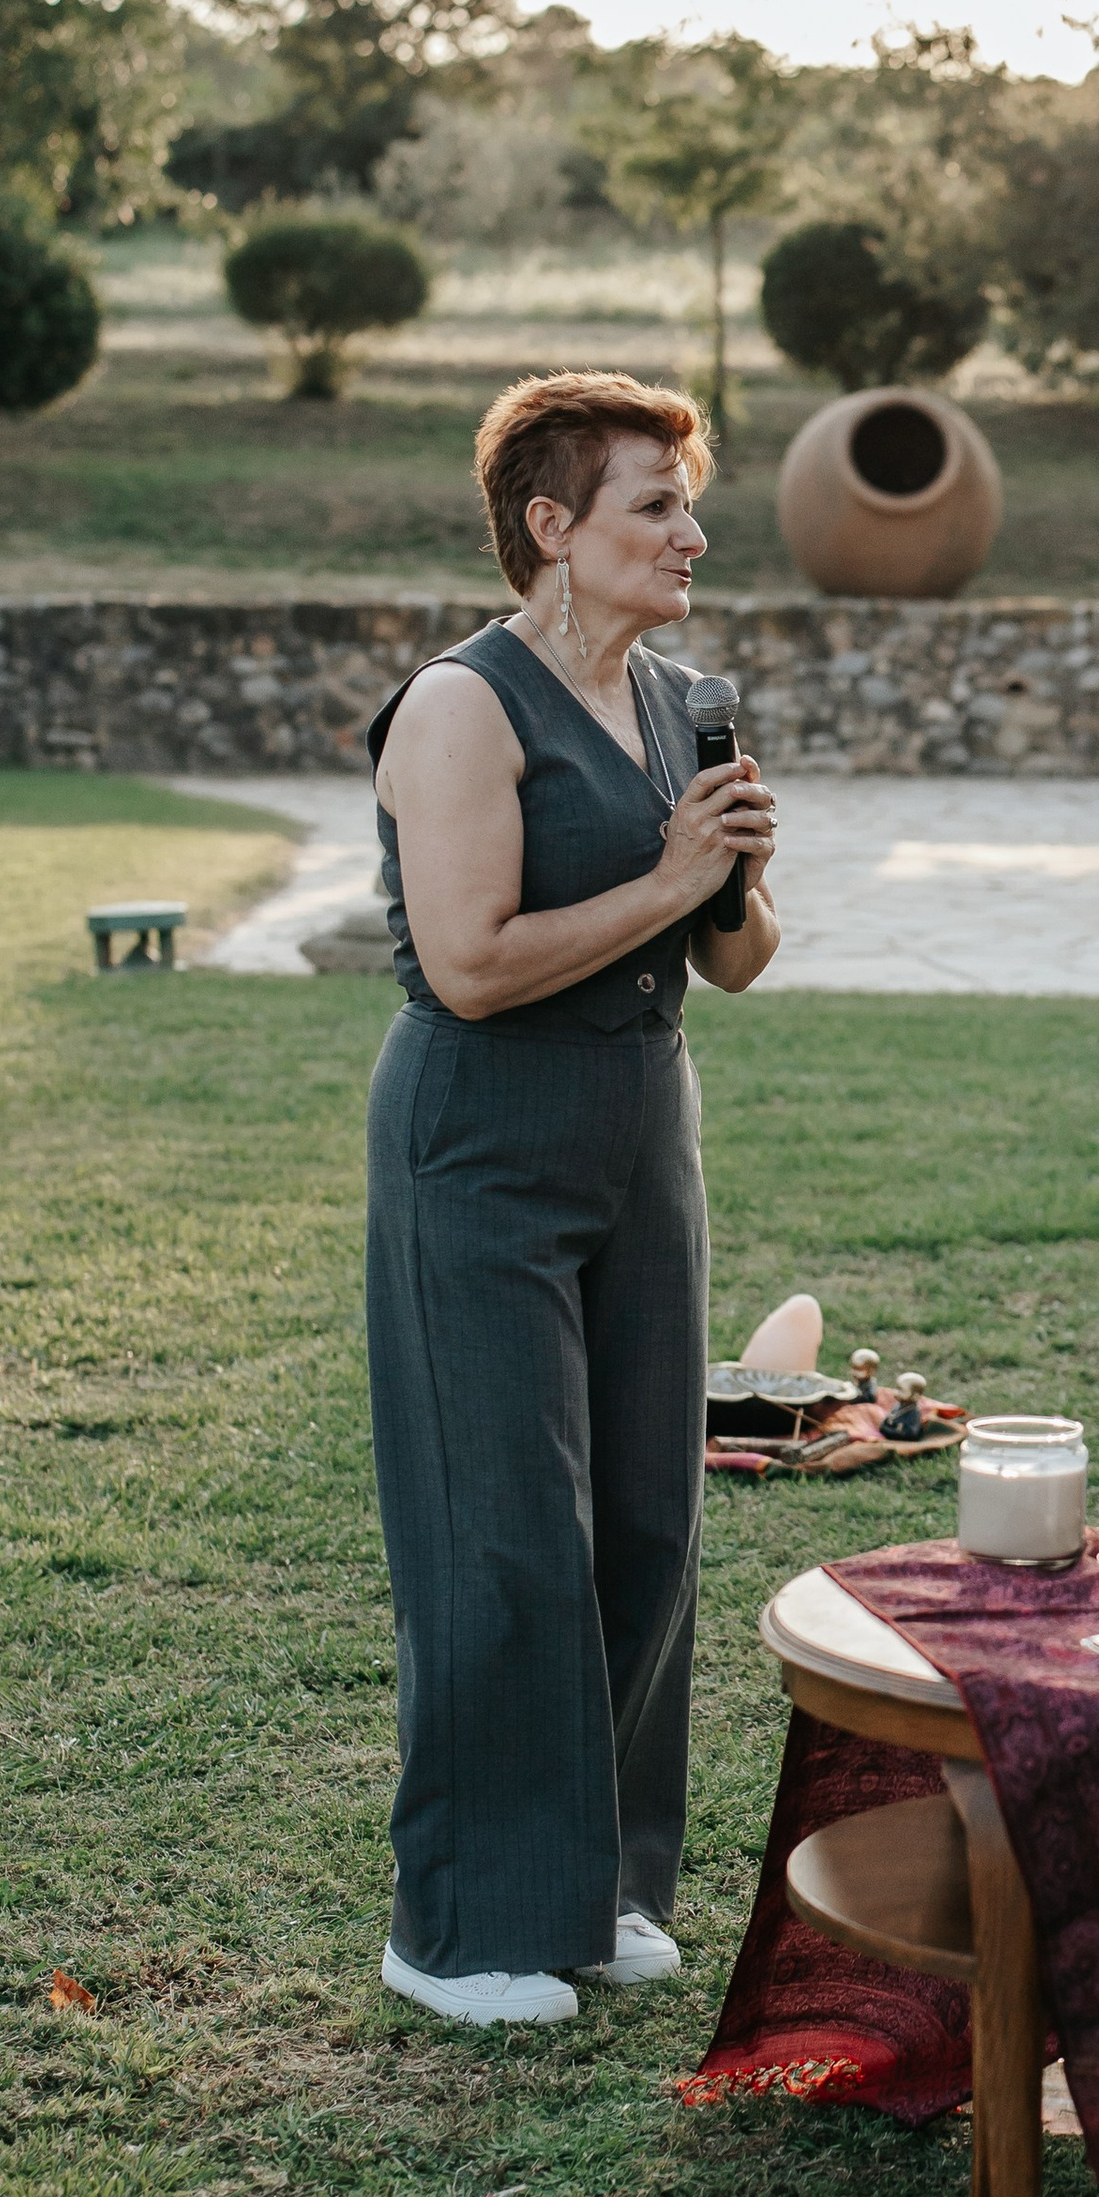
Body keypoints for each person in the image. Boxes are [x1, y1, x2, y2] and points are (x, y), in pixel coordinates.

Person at [364, 370, 780, 2029]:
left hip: (640, 1129)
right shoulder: (461, 707)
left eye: (688, 502)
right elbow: (467, 965)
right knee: (501, 1529)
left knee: (644, 1519)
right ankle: (460, 1926)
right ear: (553, 527)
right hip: (484, 1136)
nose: (692, 532)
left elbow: (739, 959)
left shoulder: (683, 699)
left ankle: (600, 1886)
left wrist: (734, 870)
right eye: (655, 505)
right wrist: (670, 877)